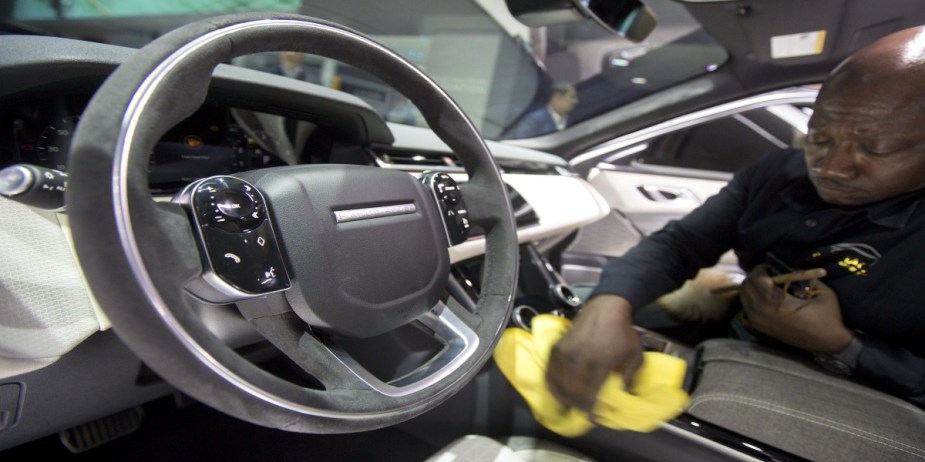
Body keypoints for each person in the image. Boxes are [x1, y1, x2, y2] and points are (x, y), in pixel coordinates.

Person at [546, 25, 925, 411]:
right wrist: (610, 304)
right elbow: (682, 244)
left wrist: (843, 345)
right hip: (732, 343)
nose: (832, 168)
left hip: (849, 402)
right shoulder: (777, 174)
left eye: (875, 149)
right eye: (820, 138)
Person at [505, 83, 578, 139]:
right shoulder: (534, 120)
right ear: (557, 97)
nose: (575, 101)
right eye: (572, 97)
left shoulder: (570, 120)